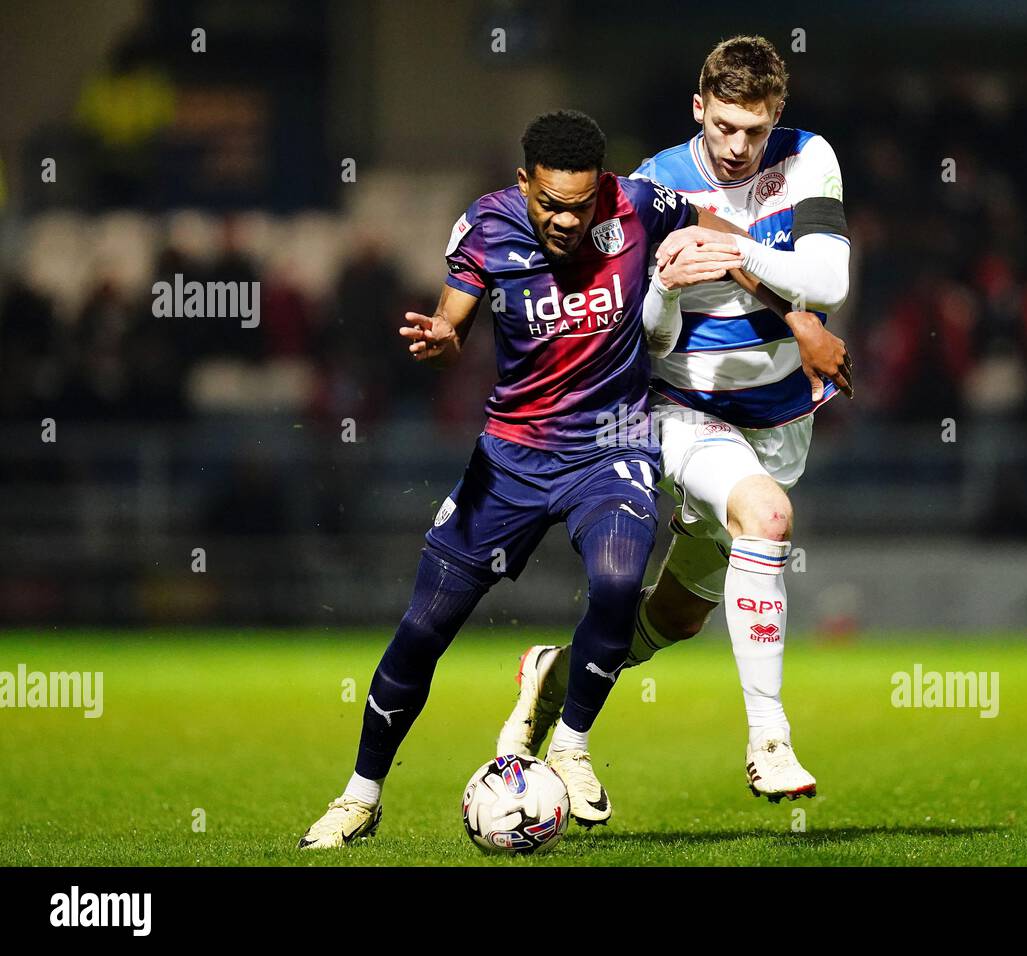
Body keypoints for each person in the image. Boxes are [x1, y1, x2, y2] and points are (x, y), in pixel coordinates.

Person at [298, 109, 741, 845]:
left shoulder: (637, 203)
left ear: (599, 187)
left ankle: (569, 741)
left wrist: (790, 310)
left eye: (577, 206)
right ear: (522, 182)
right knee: (423, 629)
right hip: (511, 458)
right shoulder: (485, 227)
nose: (563, 222)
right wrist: (441, 342)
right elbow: (450, 327)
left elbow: (717, 229)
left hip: (612, 447)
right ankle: (360, 795)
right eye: (548, 204)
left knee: (618, 582)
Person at [496, 35, 853, 802]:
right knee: (768, 516)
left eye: (753, 130)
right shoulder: (652, 186)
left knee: (676, 619)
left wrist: (740, 258)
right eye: (723, 126)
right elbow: (646, 336)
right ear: (699, 109)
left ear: (777, 116)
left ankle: (553, 679)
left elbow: (828, 278)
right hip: (683, 405)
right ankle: (769, 739)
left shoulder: (809, 158)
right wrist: (662, 285)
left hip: (780, 416)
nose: (736, 146)